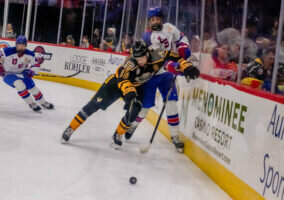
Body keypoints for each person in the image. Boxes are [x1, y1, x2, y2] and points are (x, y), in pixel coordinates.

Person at [61, 41, 199, 149]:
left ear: (147, 54)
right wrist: (130, 94)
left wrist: (187, 66)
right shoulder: (130, 64)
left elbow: (177, 57)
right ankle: (71, 128)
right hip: (116, 85)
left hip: (136, 87)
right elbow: (122, 80)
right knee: (93, 105)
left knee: (135, 110)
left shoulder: (158, 55)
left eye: (141, 58)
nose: (139, 61)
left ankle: (118, 134)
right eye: (136, 59)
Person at [125, 7, 192, 152]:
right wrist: (173, 65)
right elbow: (156, 59)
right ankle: (132, 127)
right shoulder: (148, 37)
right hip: (151, 75)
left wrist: (183, 48)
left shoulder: (169, 28)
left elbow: (181, 38)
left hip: (166, 75)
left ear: (161, 19)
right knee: (146, 107)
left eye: (157, 19)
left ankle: (175, 137)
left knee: (172, 103)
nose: (155, 22)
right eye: (152, 20)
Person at [0, 35, 54, 112]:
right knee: (19, 84)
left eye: (23, 45)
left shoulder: (30, 54)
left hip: (21, 73)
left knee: (33, 88)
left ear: (25, 45)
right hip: (8, 74)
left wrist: (31, 71)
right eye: (19, 44)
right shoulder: (7, 51)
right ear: (16, 45)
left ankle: (43, 102)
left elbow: (37, 65)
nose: (21, 46)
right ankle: (31, 103)